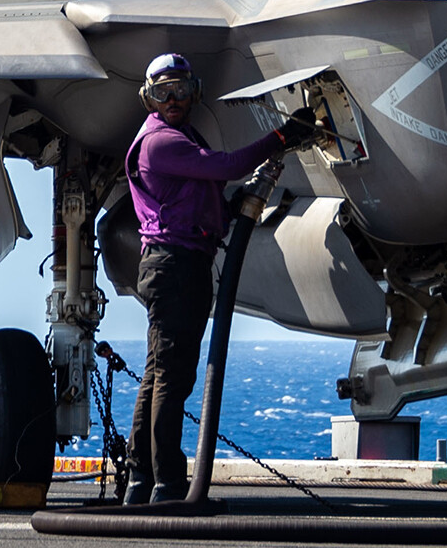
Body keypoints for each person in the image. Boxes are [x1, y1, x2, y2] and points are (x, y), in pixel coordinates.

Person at [121, 53, 317, 505]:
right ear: (149, 98)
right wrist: (284, 136)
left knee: (158, 376)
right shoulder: (161, 142)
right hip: (175, 267)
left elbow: (198, 202)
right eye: (163, 92)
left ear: (195, 92)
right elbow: (227, 166)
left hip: (176, 262)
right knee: (171, 379)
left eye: (181, 90)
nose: (174, 100)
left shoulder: (180, 138)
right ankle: (167, 484)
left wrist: (232, 208)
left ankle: (142, 482)